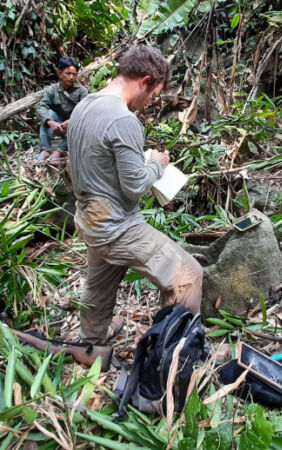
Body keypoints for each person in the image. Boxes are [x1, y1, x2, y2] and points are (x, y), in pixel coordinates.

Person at [67, 46, 203, 345]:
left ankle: (89, 344)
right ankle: (170, 358)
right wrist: (157, 164)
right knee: (188, 276)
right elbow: (136, 187)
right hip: (118, 228)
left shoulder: (85, 105)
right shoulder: (123, 120)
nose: (149, 102)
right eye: (153, 94)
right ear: (145, 80)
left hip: (90, 222)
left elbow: (92, 162)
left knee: (99, 286)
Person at [35, 56, 88, 164]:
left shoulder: (82, 91)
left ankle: (59, 150)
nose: (71, 77)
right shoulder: (53, 89)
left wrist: (72, 121)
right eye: (68, 73)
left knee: (82, 124)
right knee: (48, 114)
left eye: (74, 74)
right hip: (58, 124)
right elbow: (41, 106)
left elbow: (86, 111)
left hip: (73, 126)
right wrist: (50, 122)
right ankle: (45, 150)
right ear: (60, 74)